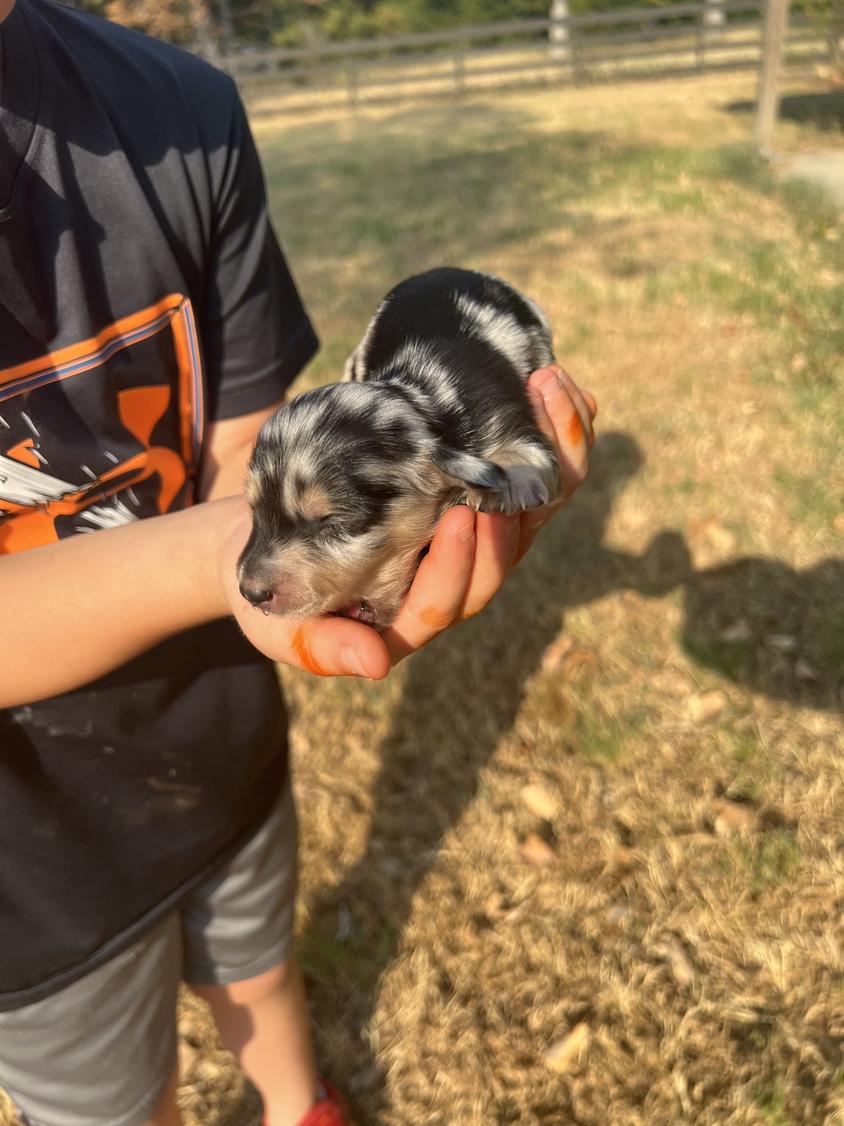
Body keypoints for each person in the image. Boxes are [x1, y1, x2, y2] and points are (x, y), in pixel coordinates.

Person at [0, 1, 598, 1124]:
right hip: (22, 868)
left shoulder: (179, 113)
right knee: (114, 1098)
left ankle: (297, 1104)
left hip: (222, 736)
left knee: (260, 969)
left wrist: (299, 545)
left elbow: (252, 462)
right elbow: (241, 537)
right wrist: (217, 565)